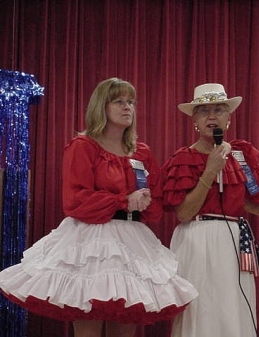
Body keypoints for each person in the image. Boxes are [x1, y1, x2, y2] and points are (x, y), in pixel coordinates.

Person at [0, 78, 197, 337]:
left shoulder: (142, 153)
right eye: (119, 101)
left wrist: (146, 201)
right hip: (90, 241)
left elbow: (156, 203)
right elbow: (75, 200)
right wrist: (123, 200)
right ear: (100, 107)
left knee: (126, 321)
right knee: (88, 323)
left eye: (131, 102)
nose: (127, 107)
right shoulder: (83, 146)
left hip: (131, 241)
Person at [161, 83, 259, 337]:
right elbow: (183, 213)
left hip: (234, 242)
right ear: (194, 120)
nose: (212, 116)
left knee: (233, 305)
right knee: (201, 308)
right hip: (198, 239)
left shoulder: (240, 156)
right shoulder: (184, 159)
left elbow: (252, 205)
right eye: (204, 111)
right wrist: (210, 171)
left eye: (218, 109)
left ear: (229, 117)